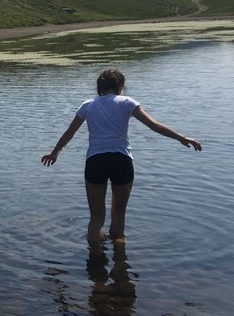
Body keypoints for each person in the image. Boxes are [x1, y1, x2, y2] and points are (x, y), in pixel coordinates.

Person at [41, 69, 201, 248]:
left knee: (96, 217)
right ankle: (119, 257)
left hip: (96, 161)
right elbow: (154, 125)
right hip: (121, 160)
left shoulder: (88, 105)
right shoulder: (127, 102)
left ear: (100, 87)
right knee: (118, 214)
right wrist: (181, 138)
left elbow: (69, 133)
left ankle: (95, 256)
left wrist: (55, 153)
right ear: (120, 86)